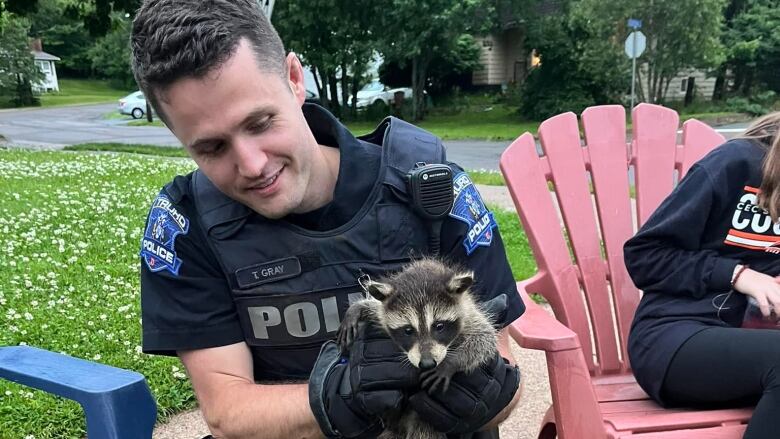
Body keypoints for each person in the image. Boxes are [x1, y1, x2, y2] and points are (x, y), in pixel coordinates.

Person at [131, 1, 524, 438]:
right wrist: (339, 396)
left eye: (260, 122)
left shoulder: (433, 189)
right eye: (212, 148)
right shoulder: (186, 225)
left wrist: (484, 398)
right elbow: (227, 412)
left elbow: (503, 378)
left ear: (295, 79)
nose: (252, 164)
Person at [625, 112, 780, 439]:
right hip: (675, 335)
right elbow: (645, 255)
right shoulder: (736, 164)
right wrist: (739, 275)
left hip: (755, 347)